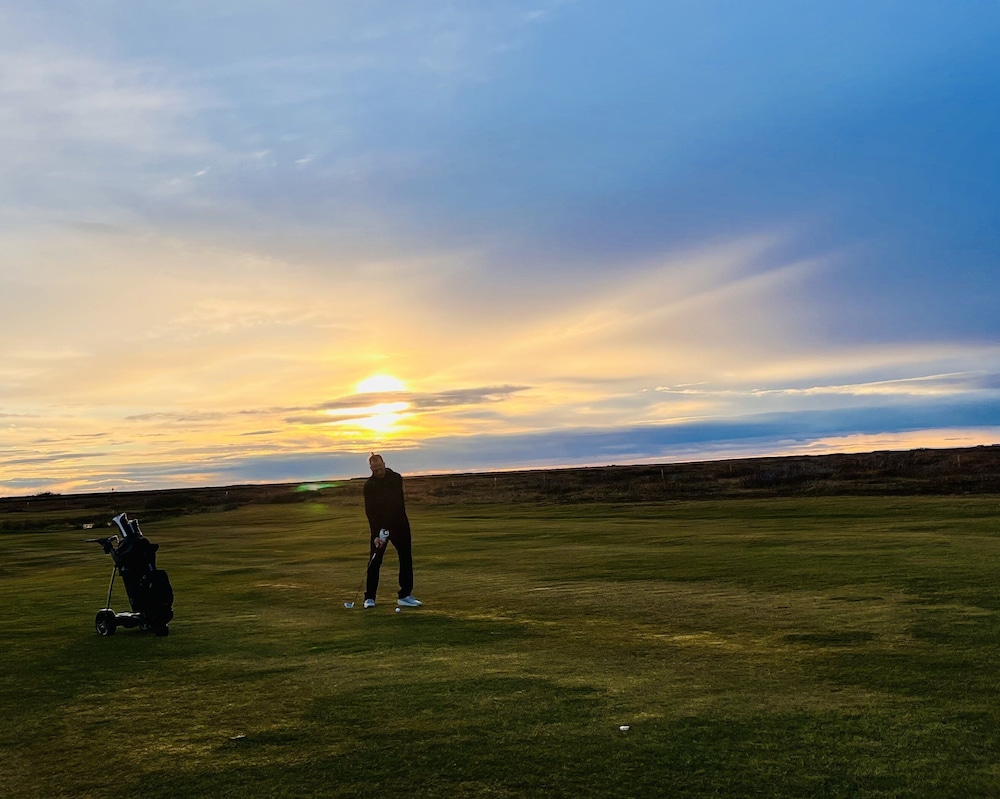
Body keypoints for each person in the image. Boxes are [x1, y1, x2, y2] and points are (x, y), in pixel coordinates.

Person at [362, 453, 421, 608]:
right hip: (380, 527)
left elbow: (394, 504)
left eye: (380, 467)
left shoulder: (395, 478)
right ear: (371, 468)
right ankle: (369, 597)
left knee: (405, 558)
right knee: (375, 560)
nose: (378, 471)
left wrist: (384, 529)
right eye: (375, 469)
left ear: (384, 464)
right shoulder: (369, 486)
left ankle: (405, 595)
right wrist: (376, 534)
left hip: (400, 524)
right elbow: (371, 511)